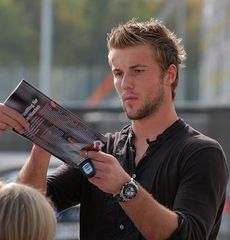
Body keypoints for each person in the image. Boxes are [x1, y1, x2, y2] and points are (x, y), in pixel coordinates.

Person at [0, 18, 229, 239]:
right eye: (118, 73)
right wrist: (43, 138)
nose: (125, 84)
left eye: (138, 71)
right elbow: (25, 211)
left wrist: (125, 188)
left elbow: (188, 236)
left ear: (170, 74)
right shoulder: (101, 148)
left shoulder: (202, 153)